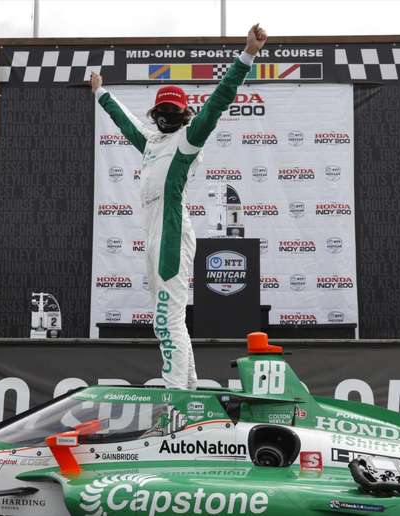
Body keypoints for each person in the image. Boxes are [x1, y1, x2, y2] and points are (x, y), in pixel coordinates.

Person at [90, 24, 268, 389]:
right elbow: (124, 123)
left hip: (171, 234)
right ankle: (189, 388)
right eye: (163, 110)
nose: (168, 115)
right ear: (156, 114)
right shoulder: (152, 143)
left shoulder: (188, 141)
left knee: (167, 317)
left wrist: (247, 54)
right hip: (155, 234)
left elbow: (218, 102)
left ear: (185, 114)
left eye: (174, 109)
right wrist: (100, 92)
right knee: (166, 319)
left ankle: (175, 399)